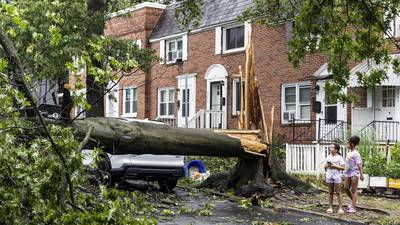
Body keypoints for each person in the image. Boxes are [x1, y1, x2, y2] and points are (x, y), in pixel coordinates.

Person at [344, 136, 364, 213]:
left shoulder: (356, 154)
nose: (346, 144)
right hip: (347, 173)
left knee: (353, 190)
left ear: (352, 144)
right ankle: (354, 201)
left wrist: (361, 175)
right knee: (346, 188)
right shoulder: (349, 153)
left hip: (354, 174)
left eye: (348, 143)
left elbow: (359, 165)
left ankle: (353, 207)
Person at [324, 143, 345, 214]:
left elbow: (343, 168)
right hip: (329, 176)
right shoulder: (328, 157)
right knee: (330, 192)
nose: (330, 148)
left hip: (337, 176)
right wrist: (327, 165)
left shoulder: (339, 157)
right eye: (330, 147)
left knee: (338, 192)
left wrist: (334, 166)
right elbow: (325, 166)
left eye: (332, 147)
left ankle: (340, 208)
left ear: (336, 150)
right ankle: (330, 207)